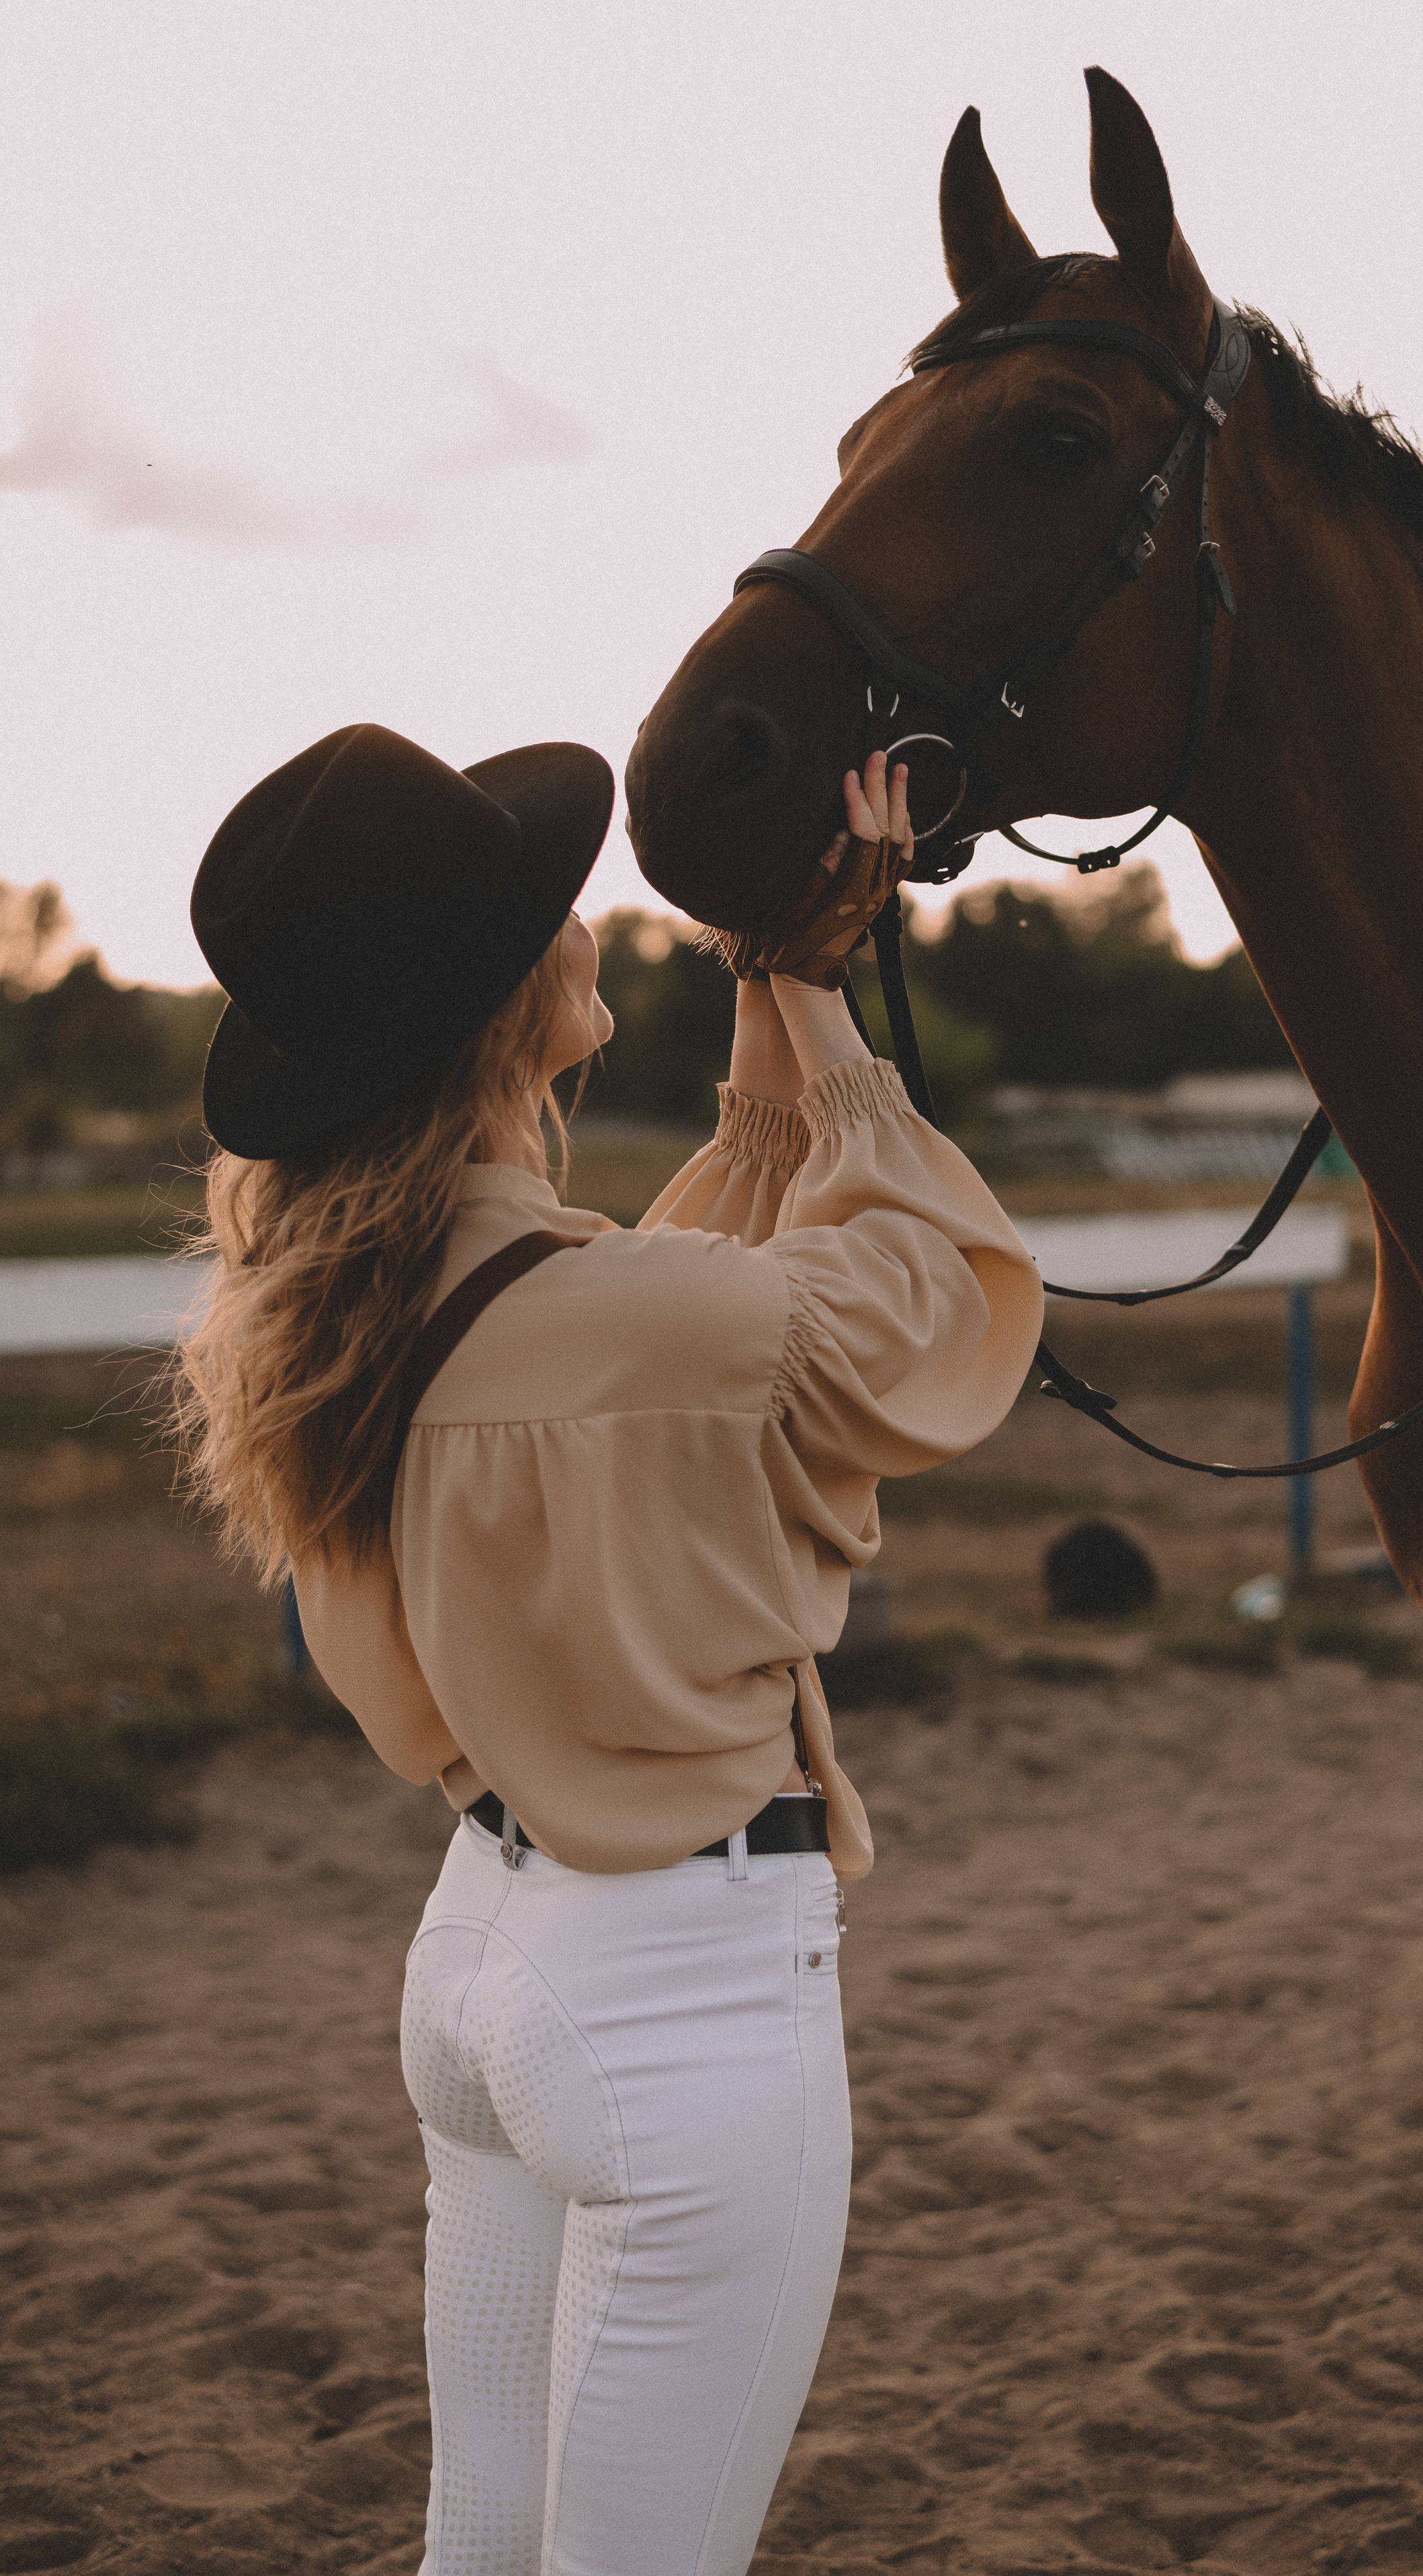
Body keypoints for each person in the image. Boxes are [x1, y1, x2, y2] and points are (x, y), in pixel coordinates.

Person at [172, 720, 1043, 2576]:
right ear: (505, 1013)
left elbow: (704, 1270)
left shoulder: (370, 1308)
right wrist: (821, 994)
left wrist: (775, 976)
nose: (589, 916)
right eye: (553, 903)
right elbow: (927, 1302)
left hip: (483, 1958)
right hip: (672, 2002)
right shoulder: (618, 1319)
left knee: (481, 2544)